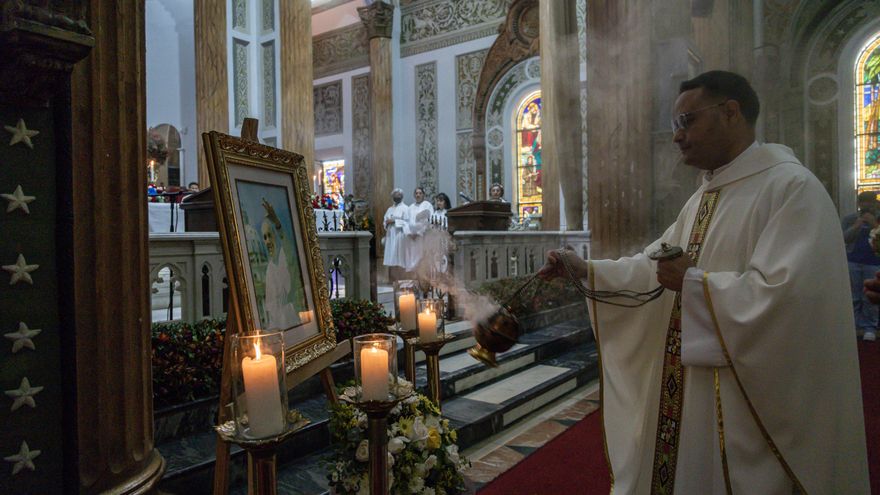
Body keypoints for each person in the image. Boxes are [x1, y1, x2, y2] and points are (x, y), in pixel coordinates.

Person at [539, 71, 868, 494]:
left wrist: (694, 283)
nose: (676, 136)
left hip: (744, 403)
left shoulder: (791, 188)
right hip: (690, 390)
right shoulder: (703, 196)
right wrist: (588, 270)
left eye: (686, 121)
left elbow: (792, 301)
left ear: (730, 112)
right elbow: (653, 264)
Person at [842, 190, 880, 341]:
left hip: (873, 262)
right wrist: (856, 226)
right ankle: (854, 326)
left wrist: (873, 225)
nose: (867, 205)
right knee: (854, 295)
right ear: (859, 204)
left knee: (868, 296)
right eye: (864, 202)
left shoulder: (877, 218)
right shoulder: (850, 218)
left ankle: (869, 327)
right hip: (853, 260)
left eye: (871, 202)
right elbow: (843, 237)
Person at [260, 198, 301, 331]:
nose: (267, 241)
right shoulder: (270, 268)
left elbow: (286, 243)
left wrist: (277, 223)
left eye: (269, 235)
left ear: (276, 235)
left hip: (293, 319)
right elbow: (271, 305)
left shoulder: (286, 253)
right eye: (264, 237)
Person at [404, 186, 434, 273]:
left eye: (420, 193)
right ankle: (412, 275)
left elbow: (430, 220)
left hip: (422, 236)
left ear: (423, 195)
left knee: (421, 255)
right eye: (416, 193)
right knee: (411, 256)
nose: (418, 195)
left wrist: (419, 232)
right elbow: (406, 221)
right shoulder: (410, 207)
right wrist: (409, 233)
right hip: (410, 237)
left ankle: (421, 276)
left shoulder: (427, 205)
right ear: (414, 195)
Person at [382, 189, 409, 281]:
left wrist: (395, 221)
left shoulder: (406, 208)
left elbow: (407, 222)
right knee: (391, 255)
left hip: (399, 234)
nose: (396, 196)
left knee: (399, 255)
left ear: (402, 196)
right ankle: (392, 279)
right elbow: (385, 221)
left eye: (398, 194)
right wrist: (386, 222)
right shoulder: (390, 209)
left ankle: (401, 278)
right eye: (394, 195)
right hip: (390, 234)